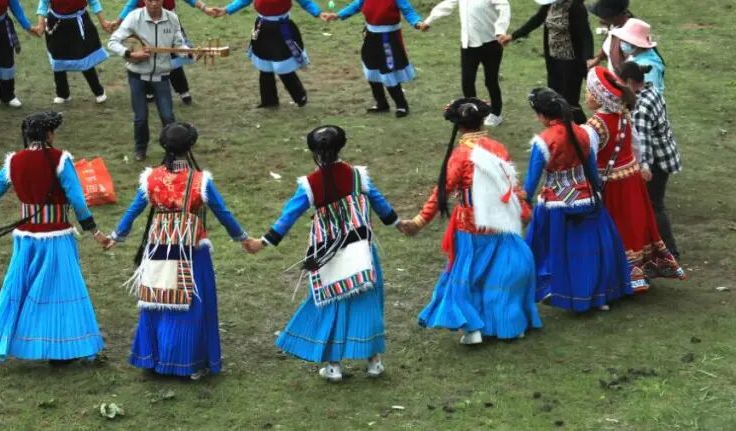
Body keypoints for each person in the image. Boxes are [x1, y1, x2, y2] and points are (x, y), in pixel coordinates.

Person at [245, 125, 399, 382]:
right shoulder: (358, 176)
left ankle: (334, 366)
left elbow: (288, 217)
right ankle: (374, 362)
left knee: (331, 306)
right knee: (368, 303)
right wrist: (401, 224)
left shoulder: (310, 184)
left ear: (313, 151)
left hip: (326, 254)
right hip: (361, 249)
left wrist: (263, 242)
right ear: (342, 146)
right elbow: (383, 208)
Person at [0, 112, 108, 362]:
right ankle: (61, 349)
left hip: (26, 239)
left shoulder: (14, 161)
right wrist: (95, 231)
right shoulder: (60, 159)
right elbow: (77, 200)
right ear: (49, 134)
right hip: (56, 237)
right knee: (59, 291)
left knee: (21, 290)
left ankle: (22, 340)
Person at [109, 122, 252, 380]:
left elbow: (134, 210)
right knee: (189, 305)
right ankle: (187, 362)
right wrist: (243, 239)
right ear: (190, 147)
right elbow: (222, 212)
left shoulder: (151, 178)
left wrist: (116, 236)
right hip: (191, 248)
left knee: (157, 299)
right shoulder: (199, 181)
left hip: (158, 247)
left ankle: (152, 358)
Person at [398, 98, 541, 345]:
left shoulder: (460, 155)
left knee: (467, 275)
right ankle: (509, 323)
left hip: (469, 225)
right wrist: (524, 212)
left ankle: (473, 328)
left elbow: (441, 192)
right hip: (499, 220)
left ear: (459, 126)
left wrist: (419, 221)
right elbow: (511, 185)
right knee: (499, 273)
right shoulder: (498, 147)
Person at [523, 87, 633, 312]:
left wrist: (523, 200)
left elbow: (532, 180)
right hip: (586, 197)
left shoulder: (544, 141)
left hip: (555, 204)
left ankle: (551, 287)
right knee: (589, 251)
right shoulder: (581, 133)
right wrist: (597, 193)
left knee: (548, 248)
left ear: (543, 115)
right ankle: (595, 295)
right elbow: (591, 168)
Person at [585, 67, 684, 291]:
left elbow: (588, 159)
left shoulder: (594, 126)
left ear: (598, 96)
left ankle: (615, 278)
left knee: (614, 227)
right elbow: (636, 146)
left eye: (589, 92)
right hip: (631, 180)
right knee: (632, 225)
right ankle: (638, 275)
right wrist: (639, 166)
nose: (586, 96)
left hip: (612, 185)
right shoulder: (624, 116)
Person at [212, 0, 328, 108]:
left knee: (283, 66)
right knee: (264, 65)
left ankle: (299, 95)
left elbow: (305, 1)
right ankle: (269, 101)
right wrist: (226, 10)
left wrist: (318, 13)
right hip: (263, 27)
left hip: (281, 28)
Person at [326, 0, 423, 116]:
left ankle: (401, 104)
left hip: (388, 39)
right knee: (372, 70)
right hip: (371, 37)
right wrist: (338, 15)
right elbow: (355, 6)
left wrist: (417, 23)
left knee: (388, 71)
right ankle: (381, 103)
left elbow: (408, 11)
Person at [421, 0, 511, 126]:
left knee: (490, 80)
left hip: (490, 43)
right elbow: (448, 4)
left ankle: (496, 113)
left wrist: (500, 31)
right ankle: (472, 113)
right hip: (468, 43)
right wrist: (428, 20)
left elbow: (504, 8)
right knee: (467, 80)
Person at [108, 0, 193, 161]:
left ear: (163, 0)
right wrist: (131, 54)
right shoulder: (134, 17)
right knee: (140, 117)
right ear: (144, 0)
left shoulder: (172, 18)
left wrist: (189, 53)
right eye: (149, 0)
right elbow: (112, 42)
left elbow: (178, 45)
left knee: (168, 116)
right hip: (137, 75)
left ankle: (171, 152)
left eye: (157, 0)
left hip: (161, 75)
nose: (153, 4)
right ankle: (140, 149)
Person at [116, 0, 212, 105]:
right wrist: (119, 21)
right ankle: (149, 92)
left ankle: (183, 91)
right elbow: (131, 3)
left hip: (168, 24)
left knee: (174, 59)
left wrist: (205, 8)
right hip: (144, 25)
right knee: (146, 59)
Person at [500, 0, 593, 123]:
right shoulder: (551, 3)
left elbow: (585, 34)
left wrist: (588, 58)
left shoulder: (576, 8)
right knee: (554, 100)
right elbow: (537, 19)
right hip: (554, 60)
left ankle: (585, 133)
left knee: (570, 103)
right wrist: (513, 36)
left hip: (571, 62)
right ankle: (561, 132)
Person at [35, 0, 113, 104]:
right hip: (56, 24)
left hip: (79, 23)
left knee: (84, 58)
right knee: (58, 58)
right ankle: (62, 93)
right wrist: (40, 24)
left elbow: (94, 2)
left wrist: (104, 22)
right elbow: (43, 3)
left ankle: (98, 90)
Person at [619, 61, 681, 258]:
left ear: (629, 82)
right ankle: (658, 247)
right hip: (666, 154)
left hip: (656, 161)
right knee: (655, 205)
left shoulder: (641, 108)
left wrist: (643, 167)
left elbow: (643, 141)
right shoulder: (651, 91)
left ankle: (670, 251)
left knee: (655, 205)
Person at [609, 18, 665, 93]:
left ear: (635, 44)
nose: (622, 44)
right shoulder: (638, 55)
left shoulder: (650, 65)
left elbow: (649, 93)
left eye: (625, 41)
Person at [586, 0, 632, 71]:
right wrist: (597, 59)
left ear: (613, 16)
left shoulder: (628, 38)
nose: (600, 20)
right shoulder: (614, 25)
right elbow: (608, 43)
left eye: (602, 16)